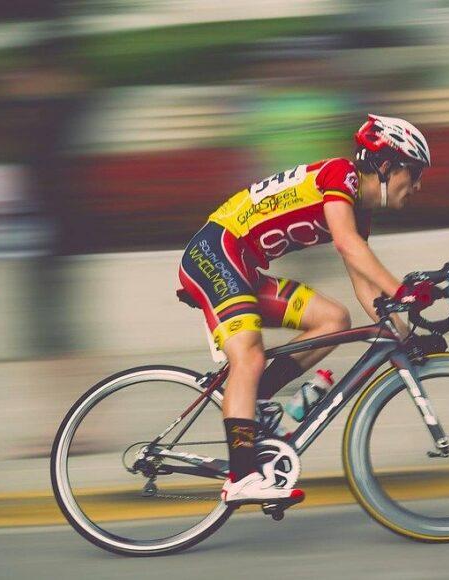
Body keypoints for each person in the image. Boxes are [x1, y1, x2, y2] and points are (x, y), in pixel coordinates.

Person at [177, 114, 435, 505]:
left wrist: (403, 333)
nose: (418, 185)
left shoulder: (358, 212)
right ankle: (242, 476)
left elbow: (363, 282)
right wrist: (403, 289)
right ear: (386, 165)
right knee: (248, 354)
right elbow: (348, 246)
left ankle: (257, 397)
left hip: (242, 268)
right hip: (216, 252)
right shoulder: (340, 175)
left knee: (334, 319)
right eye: (413, 173)